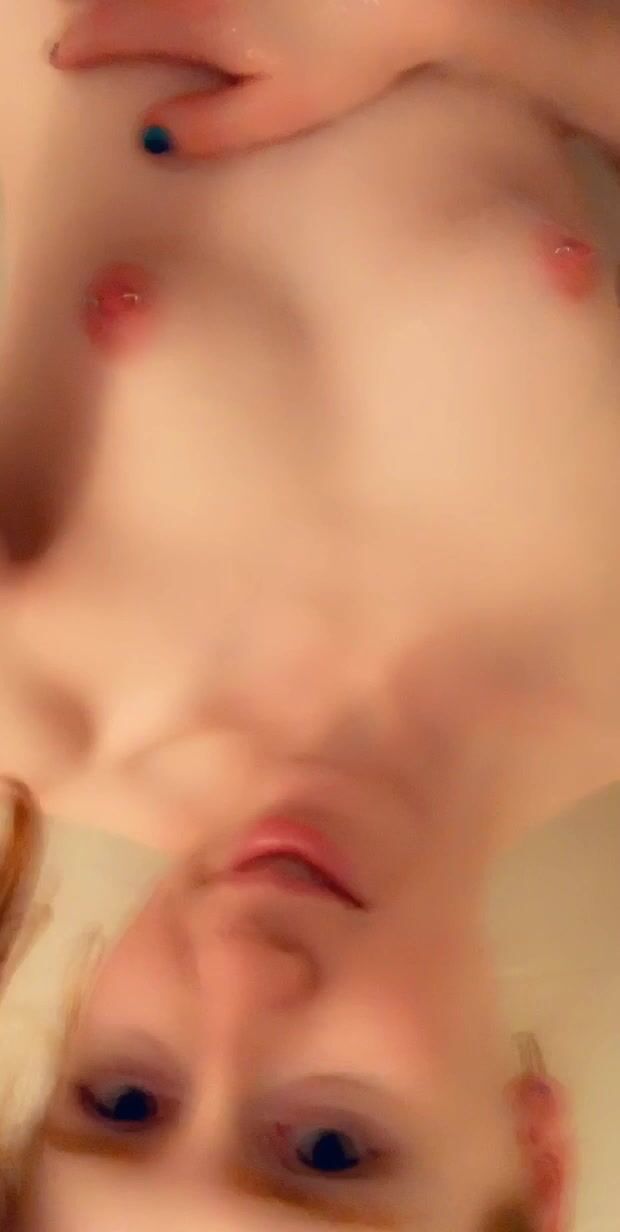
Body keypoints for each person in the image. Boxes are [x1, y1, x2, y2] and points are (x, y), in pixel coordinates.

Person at [0, 1, 619, 1229]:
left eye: (122, 1095)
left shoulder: (33, 672)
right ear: (535, 1158)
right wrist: (482, 27)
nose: (244, 970)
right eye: (330, 1145)